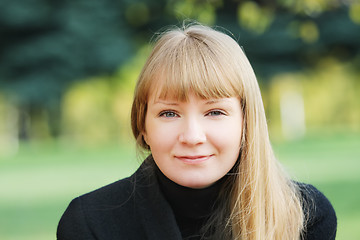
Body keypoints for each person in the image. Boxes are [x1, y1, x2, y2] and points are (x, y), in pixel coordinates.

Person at [57, 24, 337, 240]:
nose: (192, 136)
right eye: (169, 113)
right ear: (143, 125)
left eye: (215, 112)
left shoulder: (304, 216)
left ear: (247, 122)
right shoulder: (89, 224)